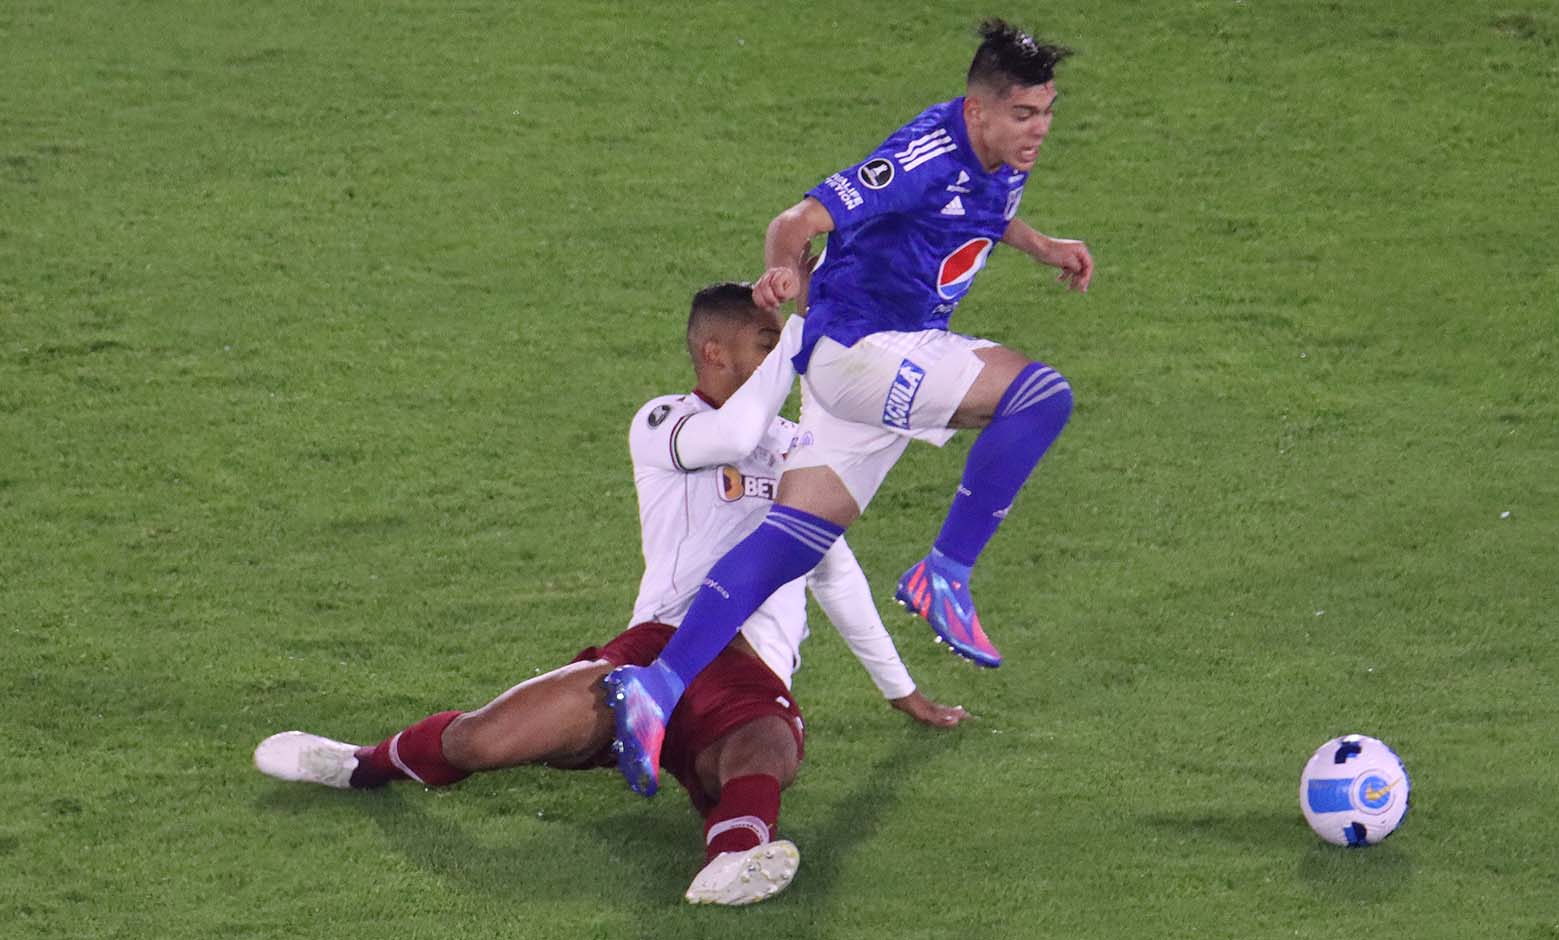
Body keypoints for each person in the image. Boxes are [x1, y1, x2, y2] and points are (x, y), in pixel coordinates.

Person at [254, 281, 969, 907]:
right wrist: (806, 331)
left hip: (750, 669)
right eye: (764, 342)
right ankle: (360, 764)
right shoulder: (667, 422)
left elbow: (833, 570)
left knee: (762, 751)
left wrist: (898, 689)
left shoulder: (794, 447)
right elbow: (734, 432)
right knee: (485, 739)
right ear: (713, 353)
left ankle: (731, 860)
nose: (781, 355)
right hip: (653, 648)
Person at [603, 19, 1091, 798]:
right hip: (863, 350)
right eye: (1025, 115)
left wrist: (1041, 245)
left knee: (795, 538)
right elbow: (795, 223)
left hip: (872, 365)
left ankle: (656, 688)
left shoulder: (996, 156)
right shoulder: (922, 154)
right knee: (1037, 394)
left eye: (1048, 111)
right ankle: (945, 573)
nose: (1040, 130)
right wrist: (777, 275)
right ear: (976, 111)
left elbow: (978, 212)